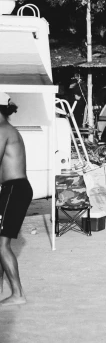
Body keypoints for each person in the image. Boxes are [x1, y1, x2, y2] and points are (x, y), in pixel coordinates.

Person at [0, 92, 33, 306]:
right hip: (13, 188)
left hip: (14, 188)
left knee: (2, 245)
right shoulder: (7, 129)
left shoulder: (2, 130)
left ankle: (18, 294)